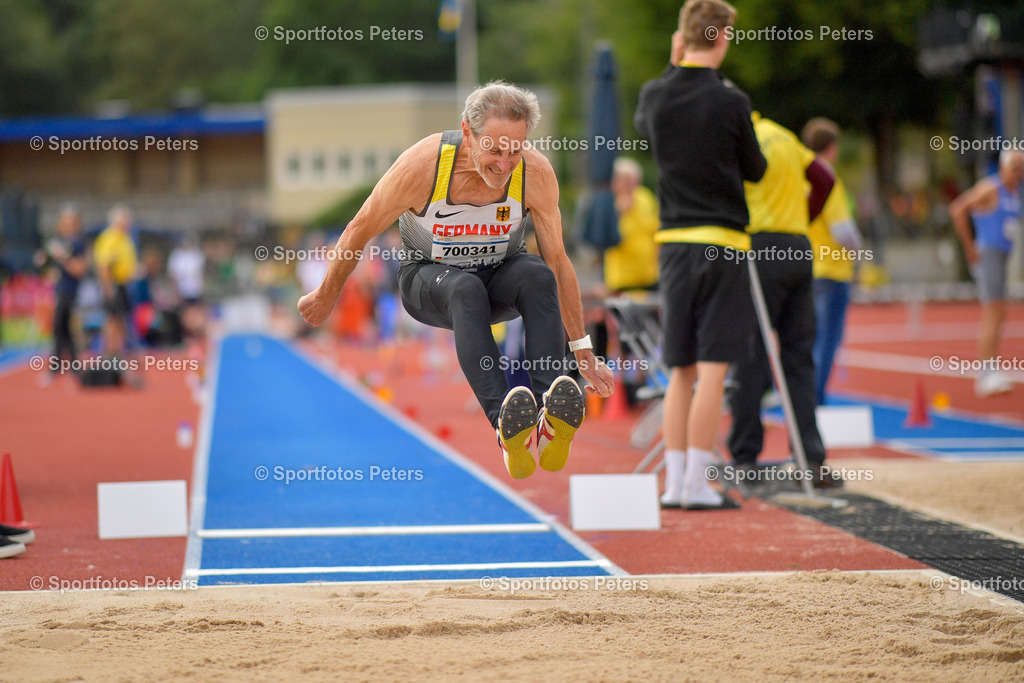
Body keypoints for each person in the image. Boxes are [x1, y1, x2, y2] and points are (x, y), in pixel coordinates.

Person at [298, 81, 615, 479]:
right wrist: (326, 294)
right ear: (467, 132)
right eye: (494, 150)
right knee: (464, 288)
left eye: (515, 150)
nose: (505, 164)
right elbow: (359, 229)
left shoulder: (534, 174)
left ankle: (547, 411)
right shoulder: (422, 168)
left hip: (499, 276)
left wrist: (582, 350)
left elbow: (560, 262)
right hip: (429, 282)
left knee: (536, 272)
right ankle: (505, 421)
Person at [635, 0, 766, 509]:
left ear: (682, 38)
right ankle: (696, 483)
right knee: (713, 369)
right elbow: (754, 169)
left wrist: (672, 65)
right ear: (723, 37)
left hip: (673, 245)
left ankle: (673, 483)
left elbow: (646, 125)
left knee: (680, 367)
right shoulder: (731, 101)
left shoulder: (655, 94)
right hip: (724, 243)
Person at [726, 113, 840, 489]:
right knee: (799, 357)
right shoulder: (787, 136)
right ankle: (810, 459)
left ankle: (745, 458)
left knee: (751, 355)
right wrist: (804, 218)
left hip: (759, 248)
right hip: (797, 248)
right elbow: (824, 178)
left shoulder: (740, 138)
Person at [950, 149, 1024, 397]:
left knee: (1000, 313)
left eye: (1021, 166)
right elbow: (958, 209)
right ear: (1003, 167)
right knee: (992, 313)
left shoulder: (1015, 194)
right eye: (1014, 166)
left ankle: (991, 368)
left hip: (1002, 256)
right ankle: (985, 374)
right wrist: (970, 248)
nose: (1018, 171)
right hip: (989, 254)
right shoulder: (990, 189)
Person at [802, 118, 863, 406]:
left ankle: (803, 394)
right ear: (832, 148)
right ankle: (814, 396)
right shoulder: (827, 180)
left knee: (811, 337)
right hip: (833, 268)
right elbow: (843, 230)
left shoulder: (800, 177)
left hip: (810, 265)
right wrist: (859, 250)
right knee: (827, 339)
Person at [35, 205, 87, 383]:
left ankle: (58, 368)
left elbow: (79, 269)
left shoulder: (77, 243)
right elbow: (46, 266)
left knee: (60, 327)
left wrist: (62, 258)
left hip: (70, 291)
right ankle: (72, 367)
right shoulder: (57, 240)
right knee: (63, 328)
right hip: (59, 289)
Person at [604, 157, 660, 292]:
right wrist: (619, 213)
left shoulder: (645, 198)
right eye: (624, 181)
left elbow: (656, 231)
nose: (629, 186)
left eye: (633, 181)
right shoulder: (608, 203)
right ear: (615, 183)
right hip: (622, 279)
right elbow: (605, 236)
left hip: (649, 276)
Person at [93, 205, 138, 356]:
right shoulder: (110, 238)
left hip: (123, 284)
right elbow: (104, 265)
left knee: (120, 319)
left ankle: (118, 351)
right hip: (114, 284)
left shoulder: (124, 238)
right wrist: (108, 288)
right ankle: (110, 351)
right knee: (112, 319)